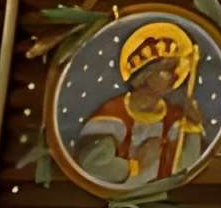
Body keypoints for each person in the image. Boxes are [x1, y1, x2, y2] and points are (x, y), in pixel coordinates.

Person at [72, 21, 210, 192]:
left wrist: (193, 127)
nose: (176, 76)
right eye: (168, 69)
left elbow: (185, 168)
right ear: (146, 74)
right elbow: (92, 165)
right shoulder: (113, 116)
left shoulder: (175, 117)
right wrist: (136, 165)